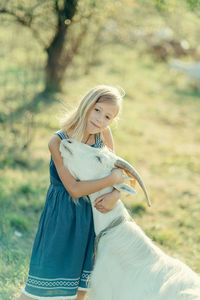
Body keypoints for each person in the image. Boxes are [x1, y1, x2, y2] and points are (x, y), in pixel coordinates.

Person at [19, 85, 125, 300]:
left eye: (107, 117)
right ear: (86, 104)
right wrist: (112, 179)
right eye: (97, 110)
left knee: (81, 285)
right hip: (63, 215)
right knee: (42, 283)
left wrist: (115, 194)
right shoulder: (57, 141)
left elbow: (115, 169)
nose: (100, 120)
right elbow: (74, 190)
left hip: (92, 215)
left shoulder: (102, 134)